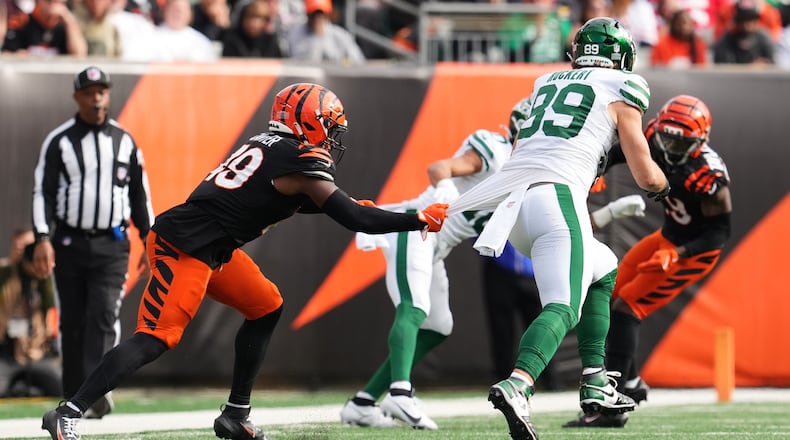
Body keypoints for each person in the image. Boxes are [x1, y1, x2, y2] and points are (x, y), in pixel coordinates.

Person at [40, 82, 449, 440]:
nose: (330, 135)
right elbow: (355, 219)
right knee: (157, 336)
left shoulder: (268, 144)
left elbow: (283, 199)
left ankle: (236, 416)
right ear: (308, 121)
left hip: (213, 247)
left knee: (266, 305)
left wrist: (341, 204)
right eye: (328, 124)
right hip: (184, 245)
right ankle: (68, 413)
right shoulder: (301, 160)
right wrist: (415, 219)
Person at [445, 17, 670, 440]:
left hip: (515, 208)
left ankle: (595, 380)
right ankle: (518, 384)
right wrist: (663, 184)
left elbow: (523, 147)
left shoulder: (547, 81)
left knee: (603, 266)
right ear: (620, 57)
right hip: (556, 199)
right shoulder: (625, 85)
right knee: (564, 306)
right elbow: (644, 173)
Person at [340, 101, 516, 430]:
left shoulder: (528, 177)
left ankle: (362, 404)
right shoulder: (496, 151)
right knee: (415, 306)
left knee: (438, 326)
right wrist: (446, 188)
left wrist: (606, 215)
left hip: (436, 246)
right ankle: (400, 391)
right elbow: (440, 167)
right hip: (415, 227)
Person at [564, 94, 731, 428]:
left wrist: (679, 254)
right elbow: (618, 151)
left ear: (700, 142)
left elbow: (719, 233)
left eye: (678, 141)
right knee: (609, 297)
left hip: (694, 252)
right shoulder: (655, 133)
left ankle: (615, 407)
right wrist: (594, 171)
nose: (667, 144)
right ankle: (631, 383)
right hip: (667, 236)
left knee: (628, 308)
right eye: (666, 135)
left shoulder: (708, 175)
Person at [32, 66, 154, 420]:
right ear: (77, 97)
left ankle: (94, 393)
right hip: (68, 242)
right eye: (89, 92)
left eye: (102, 91)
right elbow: (44, 191)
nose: (96, 97)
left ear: (108, 95)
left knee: (103, 314)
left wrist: (150, 238)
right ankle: (73, 395)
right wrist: (42, 236)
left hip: (112, 244)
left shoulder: (125, 141)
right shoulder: (59, 141)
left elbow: (139, 196)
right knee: (71, 321)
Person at [0, 229, 60, 398]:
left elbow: (51, 306)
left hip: (37, 351)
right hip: (7, 351)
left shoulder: (45, 279)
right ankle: (18, 387)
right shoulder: (5, 272)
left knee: (61, 387)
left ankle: (27, 387)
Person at [286, 0, 365, 65]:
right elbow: (289, 64)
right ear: (307, 15)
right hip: (305, 81)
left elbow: (358, 62)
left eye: (320, 15)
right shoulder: (295, 36)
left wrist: (343, 64)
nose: (317, 19)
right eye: (313, 15)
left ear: (327, 15)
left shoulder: (341, 36)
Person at [1, 0, 87, 56]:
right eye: (48, 1)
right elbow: (6, 53)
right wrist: (17, 55)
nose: (53, 5)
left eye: (57, 2)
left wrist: (69, 20)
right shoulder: (23, 23)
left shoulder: (67, 26)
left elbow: (80, 54)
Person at [712, 0, 775, 64]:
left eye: (751, 19)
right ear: (737, 21)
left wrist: (765, 64)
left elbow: (773, 62)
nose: (748, 24)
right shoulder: (726, 40)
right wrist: (748, 68)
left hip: (759, 74)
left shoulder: (763, 38)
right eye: (744, 19)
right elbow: (722, 66)